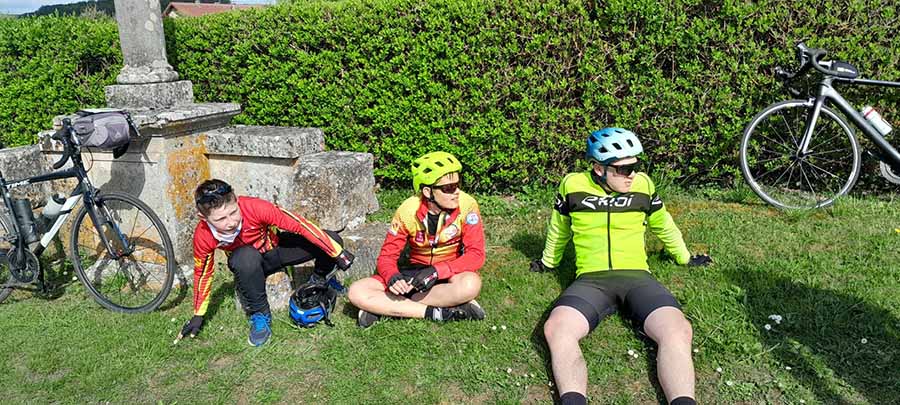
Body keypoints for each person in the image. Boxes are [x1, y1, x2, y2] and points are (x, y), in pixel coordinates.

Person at [532, 128, 712, 405]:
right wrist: (548, 262)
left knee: (678, 330)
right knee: (557, 329)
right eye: (624, 169)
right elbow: (559, 229)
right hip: (591, 280)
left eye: (635, 166)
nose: (632, 175)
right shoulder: (572, 185)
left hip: (637, 277)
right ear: (598, 168)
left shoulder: (644, 185)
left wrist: (685, 257)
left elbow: (663, 224)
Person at [175, 179, 355, 346]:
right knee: (245, 257)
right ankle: (260, 315)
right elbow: (203, 273)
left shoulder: (255, 207)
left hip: (276, 249)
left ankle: (320, 280)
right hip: (248, 264)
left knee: (333, 239)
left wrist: (337, 252)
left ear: (237, 200)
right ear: (203, 217)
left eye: (233, 212)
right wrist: (198, 314)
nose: (231, 222)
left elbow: (298, 224)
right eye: (221, 219)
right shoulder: (203, 235)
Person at [348, 151, 486, 328]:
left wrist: (437, 271)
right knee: (356, 291)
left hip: (449, 273)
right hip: (414, 273)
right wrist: (392, 277)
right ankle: (439, 312)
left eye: (458, 185)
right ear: (428, 191)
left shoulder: (468, 205)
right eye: (448, 188)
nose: (457, 192)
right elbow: (387, 256)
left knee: (470, 284)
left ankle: (387, 306)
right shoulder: (408, 210)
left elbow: (476, 254)